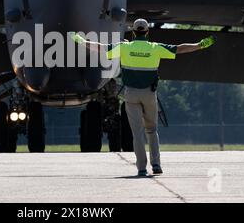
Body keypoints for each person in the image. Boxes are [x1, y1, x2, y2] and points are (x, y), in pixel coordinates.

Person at [71, 19, 216, 177]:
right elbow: (179, 49)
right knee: (152, 130)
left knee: (137, 134)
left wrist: (81, 41)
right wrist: (200, 44)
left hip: (131, 95)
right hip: (149, 94)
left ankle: (141, 168)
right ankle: (156, 165)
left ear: (133, 32)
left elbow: (100, 48)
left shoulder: (124, 47)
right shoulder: (155, 47)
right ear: (147, 32)